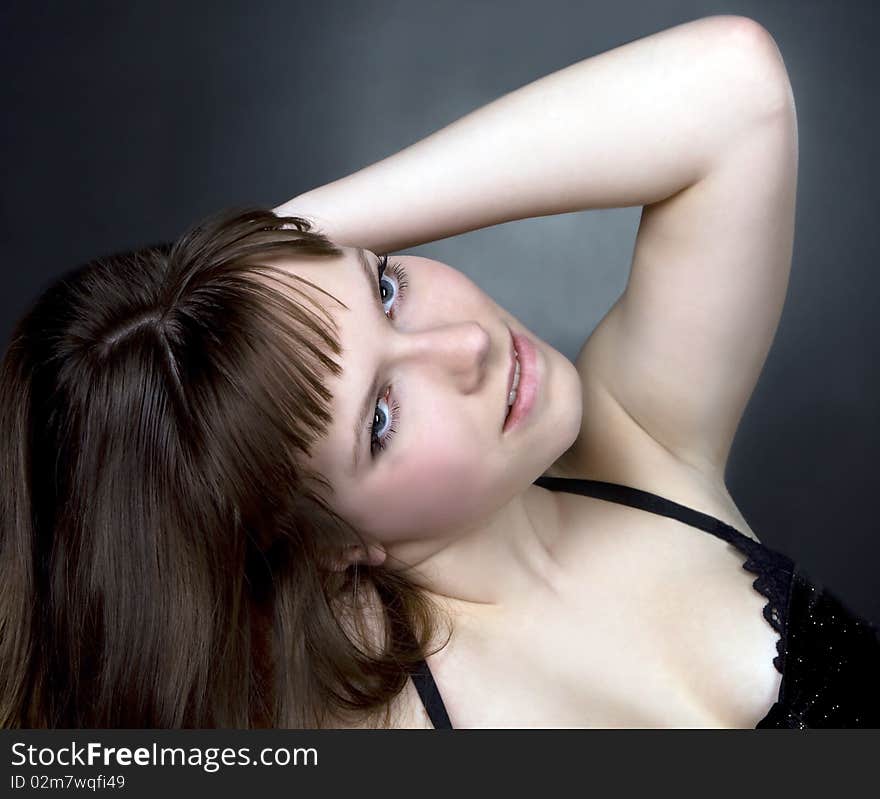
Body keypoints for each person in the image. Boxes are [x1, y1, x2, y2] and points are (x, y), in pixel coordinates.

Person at [1, 14, 877, 730]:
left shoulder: (641, 446)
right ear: (335, 542)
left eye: (388, 287)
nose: (467, 347)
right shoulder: (373, 725)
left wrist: (292, 234)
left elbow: (736, 90)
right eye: (379, 416)